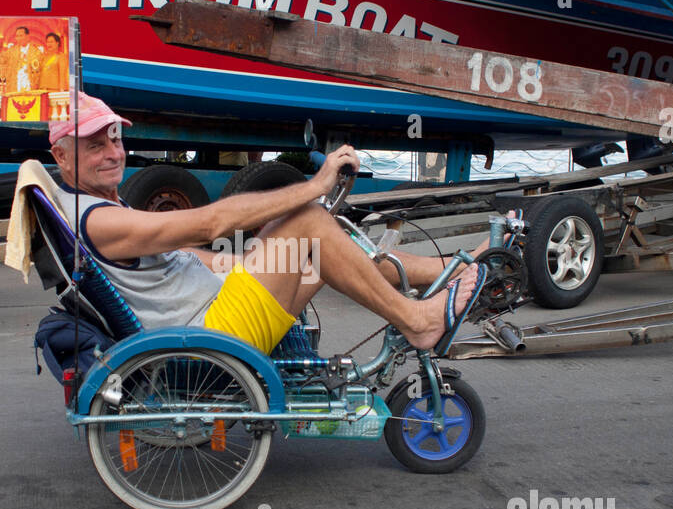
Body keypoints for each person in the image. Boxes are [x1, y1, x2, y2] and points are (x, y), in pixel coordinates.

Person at [42, 94, 486, 355]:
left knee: (326, 248)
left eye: (115, 140)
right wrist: (315, 184)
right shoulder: (97, 220)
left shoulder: (93, 204)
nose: (113, 153)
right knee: (310, 221)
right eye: (95, 145)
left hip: (212, 309)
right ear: (61, 156)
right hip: (208, 333)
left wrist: (248, 259)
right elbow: (209, 222)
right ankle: (417, 320)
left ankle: (451, 267)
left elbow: (178, 257)